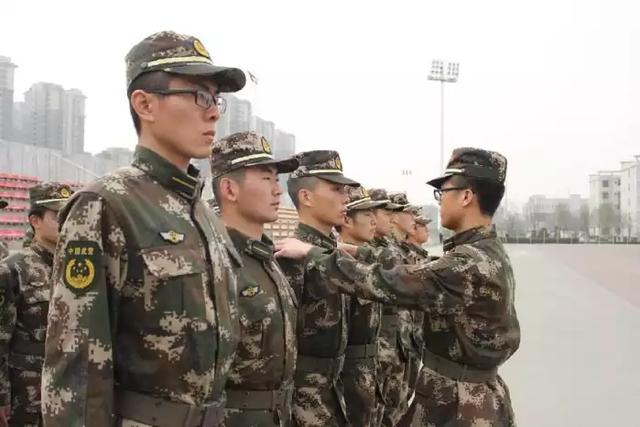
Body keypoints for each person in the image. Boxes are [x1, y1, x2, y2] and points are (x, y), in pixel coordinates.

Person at [42, 31, 246, 427]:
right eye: (199, 95)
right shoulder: (107, 205)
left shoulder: (204, 214)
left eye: (215, 98)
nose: (214, 113)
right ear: (145, 104)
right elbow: (77, 372)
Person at [275, 147, 520, 427]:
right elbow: (414, 269)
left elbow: (395, 281)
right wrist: (355, 252)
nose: (439, 200)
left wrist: (314, 255)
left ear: (466, 196)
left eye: (443, 192)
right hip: (456, 396)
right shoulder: (481, 253)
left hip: (461, 405)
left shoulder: (469, 262)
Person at [209, 131, 299, 426]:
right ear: (229, 189)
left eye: (277, 180)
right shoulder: (215, 261)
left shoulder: (268, 259)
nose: (277, 191)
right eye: (266, 179)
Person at [278, 150, 359, 427]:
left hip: (334, 392)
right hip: (303, 401)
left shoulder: (333, 253)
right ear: (306, 196)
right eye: (336, 189)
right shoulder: (292, 257)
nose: (346, 198)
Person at [0, 183, 73, 427]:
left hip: (68, 389)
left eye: (69, 215)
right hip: (27, 394)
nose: (66, 222)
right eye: (57, 216)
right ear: (35, 221)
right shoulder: (13, 268)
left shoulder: (79, 267)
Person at [335, 186, 386, 427]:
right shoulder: (335, 265)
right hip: (349, 378)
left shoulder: (367, 260)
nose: (374, 221)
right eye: (367, 214)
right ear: (346, 220)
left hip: (370, 371)